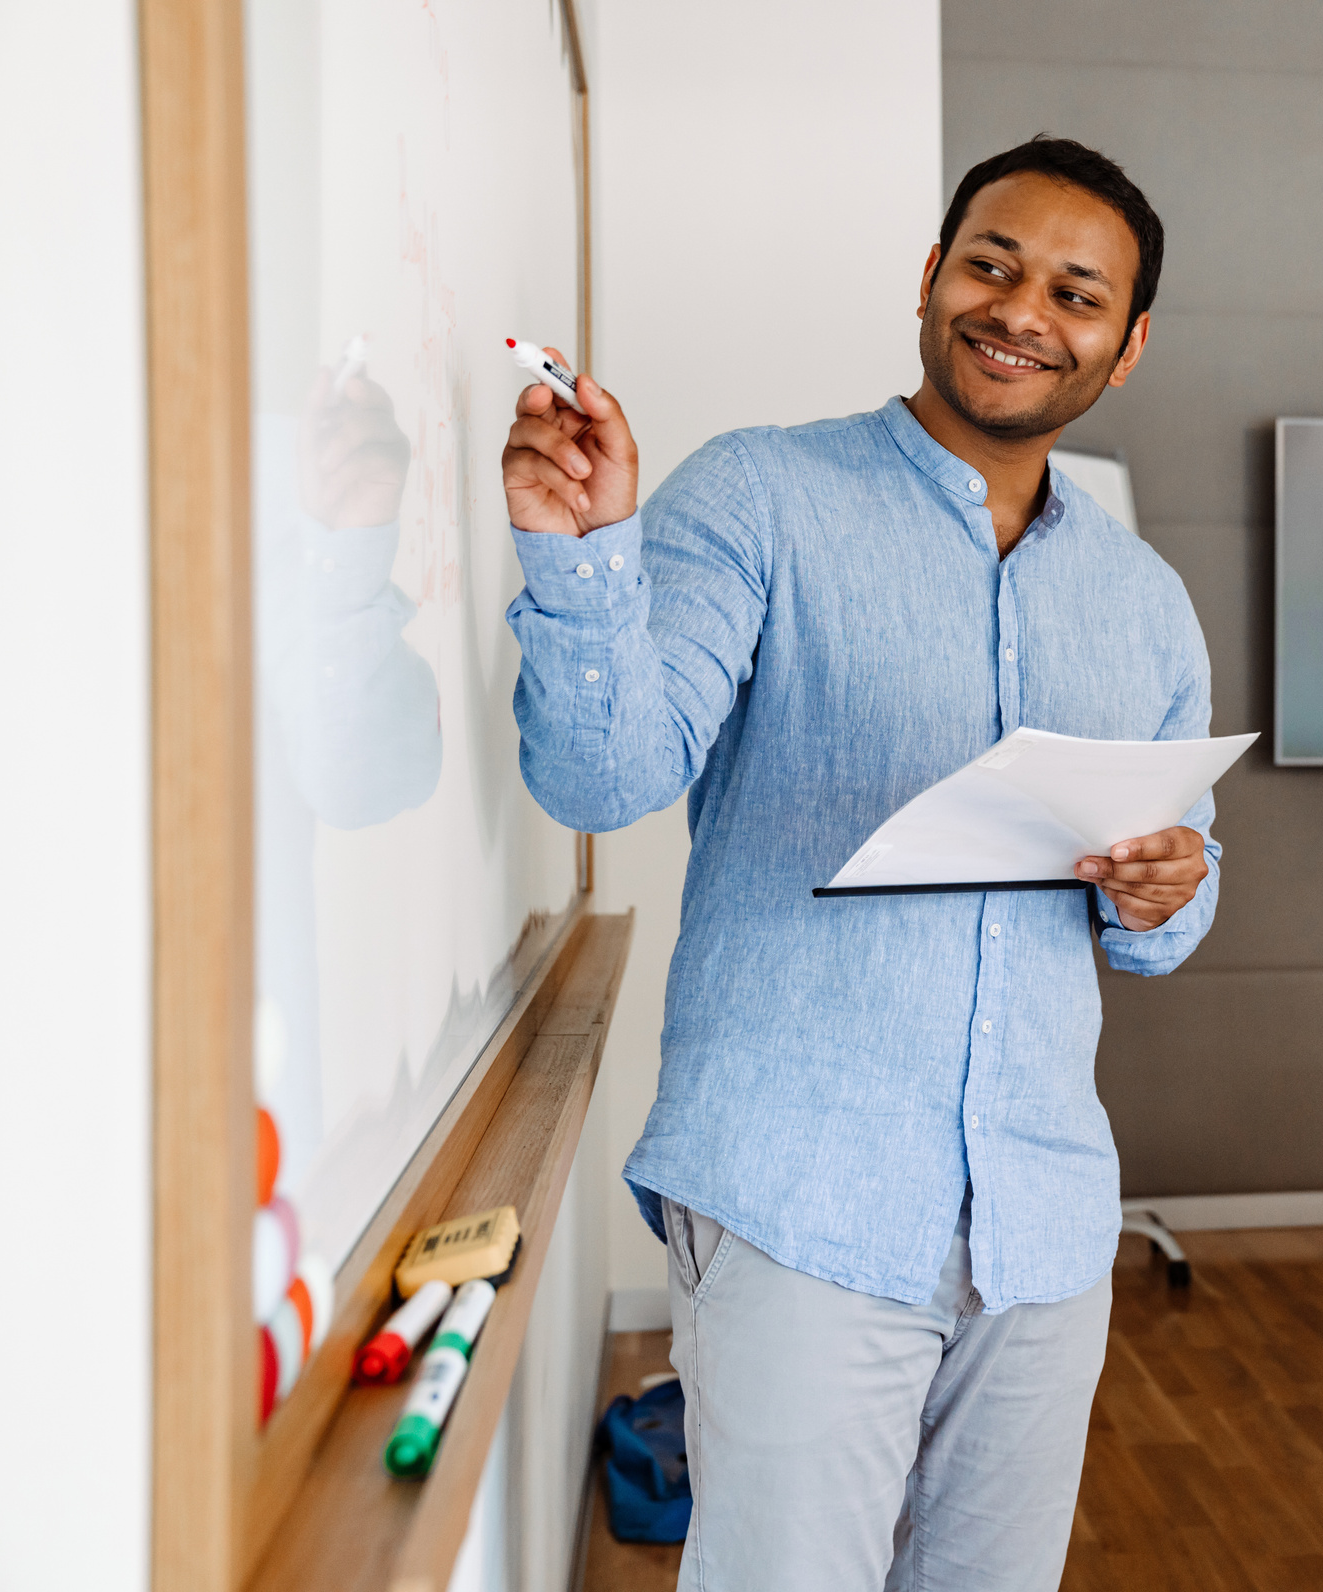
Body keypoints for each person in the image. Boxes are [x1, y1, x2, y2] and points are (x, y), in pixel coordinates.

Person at [496, 137, 1216, 1591]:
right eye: (991, 264)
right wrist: (580, 565)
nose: (1022, 309)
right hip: (799, 1197)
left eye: (1077, 293)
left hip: (1041, 1223)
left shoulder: (1144, 604)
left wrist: (1167, 884)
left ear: (1126, 347)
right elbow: (605, 773)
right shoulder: (757, 495)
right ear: (930, 280)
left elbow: (1159, 930)